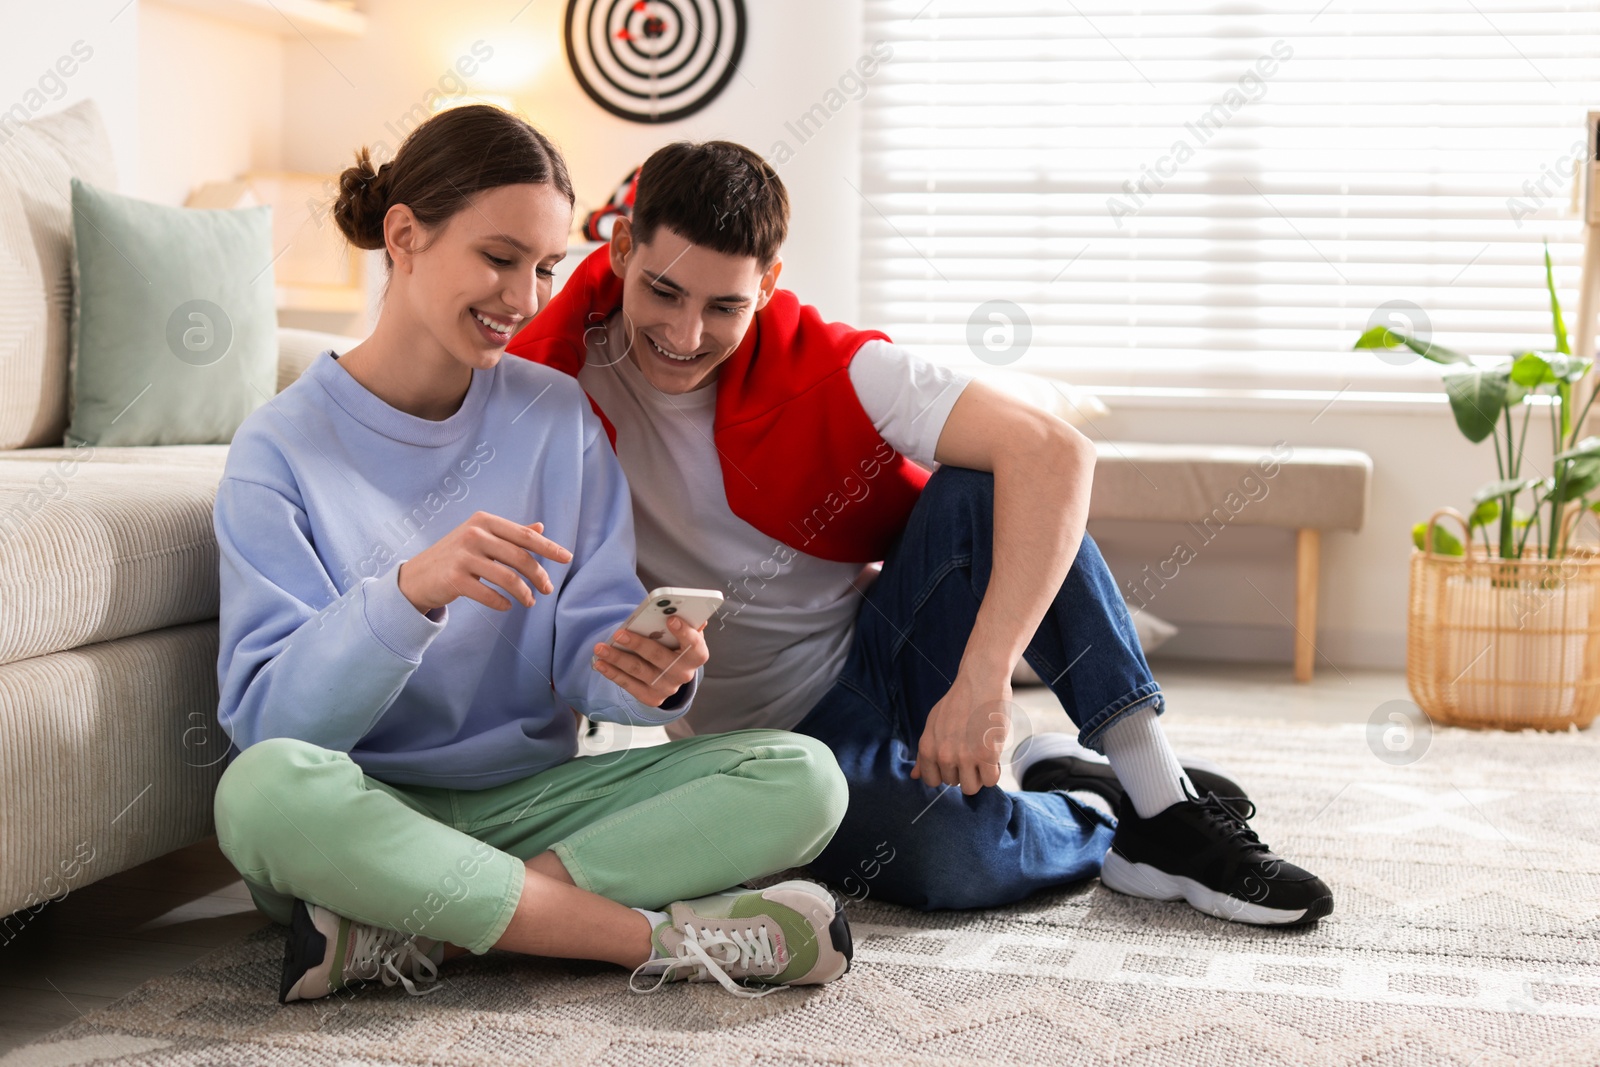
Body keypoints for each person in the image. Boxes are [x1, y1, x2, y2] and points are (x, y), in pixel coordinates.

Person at [507, 140, 1333, 927]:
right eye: (664, 292)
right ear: (620, 249)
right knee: (947, 860)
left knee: (990, 484)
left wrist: (982, 681)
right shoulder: (543, 380)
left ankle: (1164, 804)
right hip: (781, 737)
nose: (686, 337)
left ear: (769, 285)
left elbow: (1058, 451)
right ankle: (1088, 803)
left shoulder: (831, 364)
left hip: (892, 649)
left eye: (725, 305)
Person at [209, 108, 854, 1005]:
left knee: (804, 777)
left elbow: (585, 648)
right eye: (500, 258)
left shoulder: (554, 415)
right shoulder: (279, 448)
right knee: (260, 792)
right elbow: (276, 728)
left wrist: (645, 671)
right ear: (405, 235)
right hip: (368, 810)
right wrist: (410, 593)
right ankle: (656, 939)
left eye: (547, 268)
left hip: (536, 801)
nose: (525, 298)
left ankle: (419, 930)